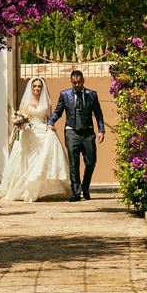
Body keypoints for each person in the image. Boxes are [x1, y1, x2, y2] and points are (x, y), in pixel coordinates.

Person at [0, 77, 71, 202]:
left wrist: (50, 127)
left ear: (42, 88)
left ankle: (41, 190)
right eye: (34, 86)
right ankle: (24, 190)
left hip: (42, 130)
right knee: (26, 160)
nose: (37, 88)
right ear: (31, 88)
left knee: (49, 144)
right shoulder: (26, 103)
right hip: (28, 132)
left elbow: (49, 119)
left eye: (39, 86)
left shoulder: (47, 103)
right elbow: (20, 117)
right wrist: (20, 123)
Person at [47, 70, 105, 202]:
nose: (77, 85)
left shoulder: (92, 94)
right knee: (74, 164)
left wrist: (101, 130)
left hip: (88, 132)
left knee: (91, 162)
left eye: (79, 82)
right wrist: (50, 122)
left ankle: (85, 187)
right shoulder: (65, 95)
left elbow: (99, 114)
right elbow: (58, 112)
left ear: (83, 81)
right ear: (71, 82)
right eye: (74, 83)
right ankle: (76, 192)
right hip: (71, 132)